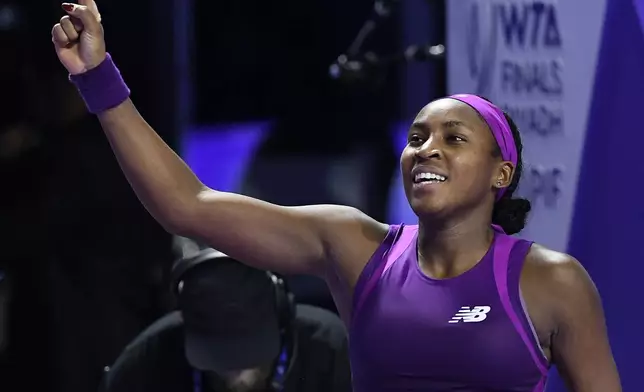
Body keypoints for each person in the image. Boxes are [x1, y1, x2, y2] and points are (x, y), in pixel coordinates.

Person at [51, 1, 621, 391]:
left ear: (502, 174)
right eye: (417, 137)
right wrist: (97, 78)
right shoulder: (356, 249)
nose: (427, 149)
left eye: (454, 138)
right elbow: (188, 206)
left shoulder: (552, 281)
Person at [99, 248, 351, 392]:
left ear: (281, 313)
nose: (238, 379)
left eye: (251, 356)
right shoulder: (147, 360)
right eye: (223, 362)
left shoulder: (332, 349)